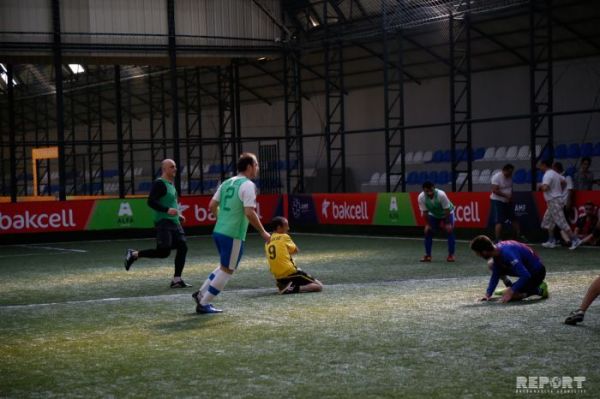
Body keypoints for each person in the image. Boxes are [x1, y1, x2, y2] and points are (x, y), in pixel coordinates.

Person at [192, 153, 271, 314]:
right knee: (228, 270)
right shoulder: (248, 185)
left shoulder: (227, 182)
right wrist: (263, 232)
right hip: (233, 233)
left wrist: (222, 219)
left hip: (219, 231)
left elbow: (211, 206)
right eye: (256, 164)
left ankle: (200, 294)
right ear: (249, 166)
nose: (257, 167)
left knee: (224, 266)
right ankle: (204, 303)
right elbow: (249, 212)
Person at [124, 159, 191, 288]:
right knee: (163, 252)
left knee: (183, 247)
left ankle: (177, 279)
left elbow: (171, 204)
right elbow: (150, 202)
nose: (175, 169)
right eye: (172, 167)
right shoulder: (159, 183)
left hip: (174, 222)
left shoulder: (171, 184)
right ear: (164, 169)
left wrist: (178, 214)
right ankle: (133, 254)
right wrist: (166, 210)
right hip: (163, 223)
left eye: (175, 166)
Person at [470, 235, 549, 303]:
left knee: (511, 296)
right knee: (492, 265)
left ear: (484, 252)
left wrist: (511, 291)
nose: (477, 255)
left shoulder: (508, 254)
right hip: (527, 269)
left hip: (537, 272)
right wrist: (488, 294)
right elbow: (495, 274)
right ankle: (512, 287)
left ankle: (539, 289)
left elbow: (525, 275)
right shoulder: (496, 250)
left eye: (477, 253)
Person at [265, 216, 323, 294]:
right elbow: (296, 250)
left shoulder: (267, 240)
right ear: (279, 227)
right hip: (290, 272)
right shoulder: (284, 236)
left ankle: (285, 284)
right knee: (319, 286)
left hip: (278, 277)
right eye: (286, 225)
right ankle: (292, 289)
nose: (288, 228)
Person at [538, 160, 581, 250]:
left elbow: (545, 188)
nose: (539, 167)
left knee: (561, 222)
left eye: (540, 165)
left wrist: (540, 186)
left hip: (554, 201)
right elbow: (564, 181)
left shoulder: (547, 175)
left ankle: (575, 239)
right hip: (554, 201)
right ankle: (551, 241)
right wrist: (555, 187)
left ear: (544, 165)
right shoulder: (554, 173)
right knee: (547, 221)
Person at [417, 181, 456, 262]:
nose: (429, 193)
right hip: (434, 214)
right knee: (428, 232)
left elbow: (447, 209)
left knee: (450, 231)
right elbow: (425, 212)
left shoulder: (441, 194)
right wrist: (427, 224)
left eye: (431, 190)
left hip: (447, 213)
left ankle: (451, 255)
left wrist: (448, 223)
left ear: (434, 188)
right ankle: (428, 255)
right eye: (427, 191)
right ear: (424, 191)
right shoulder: (421, 197)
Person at [490, 163, 523, 242]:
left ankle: (519, 235)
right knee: (499, 220)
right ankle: (498, 239)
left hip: (507, 201)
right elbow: (494, 190)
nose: (510, 174)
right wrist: (506, 196)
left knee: (513, 218)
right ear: (504, 170)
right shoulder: (497, 177)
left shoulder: (510, 177)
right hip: (497, 201)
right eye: (509, 172)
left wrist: (510, 197)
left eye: (511, 172)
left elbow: (510, 188)